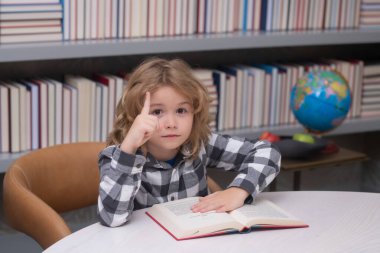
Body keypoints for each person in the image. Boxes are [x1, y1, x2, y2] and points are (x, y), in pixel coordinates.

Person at [97, 58, 281, 227]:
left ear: (195, 113)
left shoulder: (199, 143)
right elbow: (112, 218)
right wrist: (129, 148)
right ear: (134, 117)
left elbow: (267, 152)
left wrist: (239, 191)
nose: (171, 124)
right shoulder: (117, 158)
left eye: (181, 110)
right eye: (157, 112)